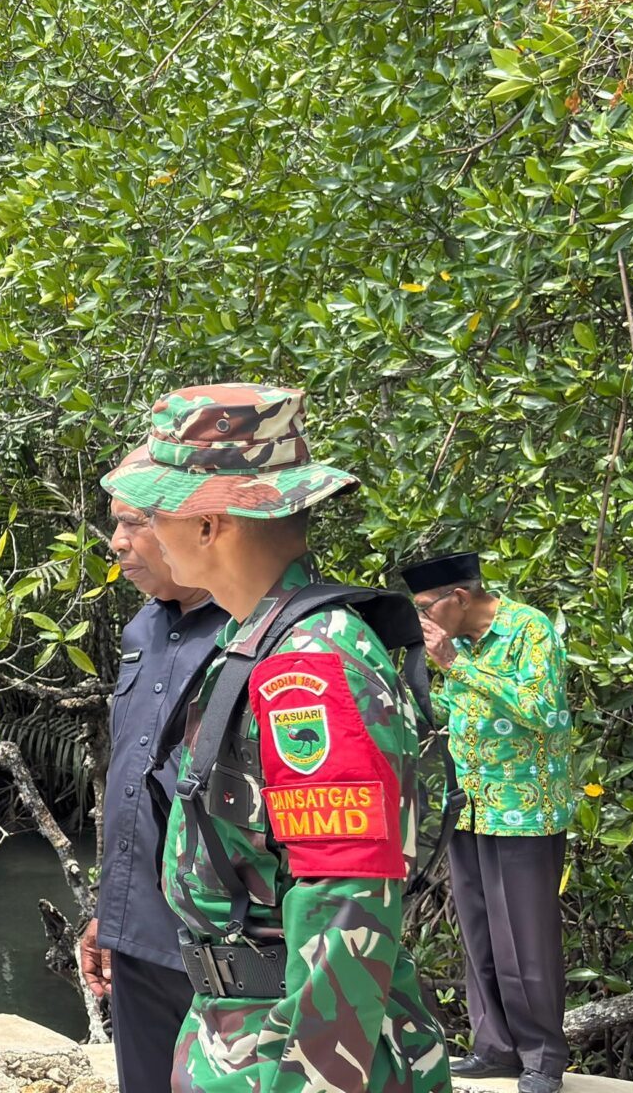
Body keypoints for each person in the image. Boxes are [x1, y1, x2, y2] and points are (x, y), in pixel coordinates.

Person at [100, 383, 447, 1093]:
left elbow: (344, 911)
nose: (144, 537)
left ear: (210, 524)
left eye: (159, 512)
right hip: (238, 1035)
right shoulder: (253, 639)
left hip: (292, 1056)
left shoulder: (309, 671)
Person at [402, 552, 575, 1093]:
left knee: (526, 940)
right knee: (480, 936)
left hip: (524, 813)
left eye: (426, 609)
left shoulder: (528, 628)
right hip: (469, 808)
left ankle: (543, 1058)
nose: (423, 622)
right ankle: (496, 1048)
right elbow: (453, 718)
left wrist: (456, 666)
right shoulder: (461, 648)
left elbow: (543, 709)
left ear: (459, 597)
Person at [77, 498, 227, 1093]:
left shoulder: (255, 633)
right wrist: (106, 914)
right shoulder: (143, 627)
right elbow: (135, 781)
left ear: (199, 526)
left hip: (223, 939)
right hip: (137, 932)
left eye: (134, 523)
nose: (117, 542)